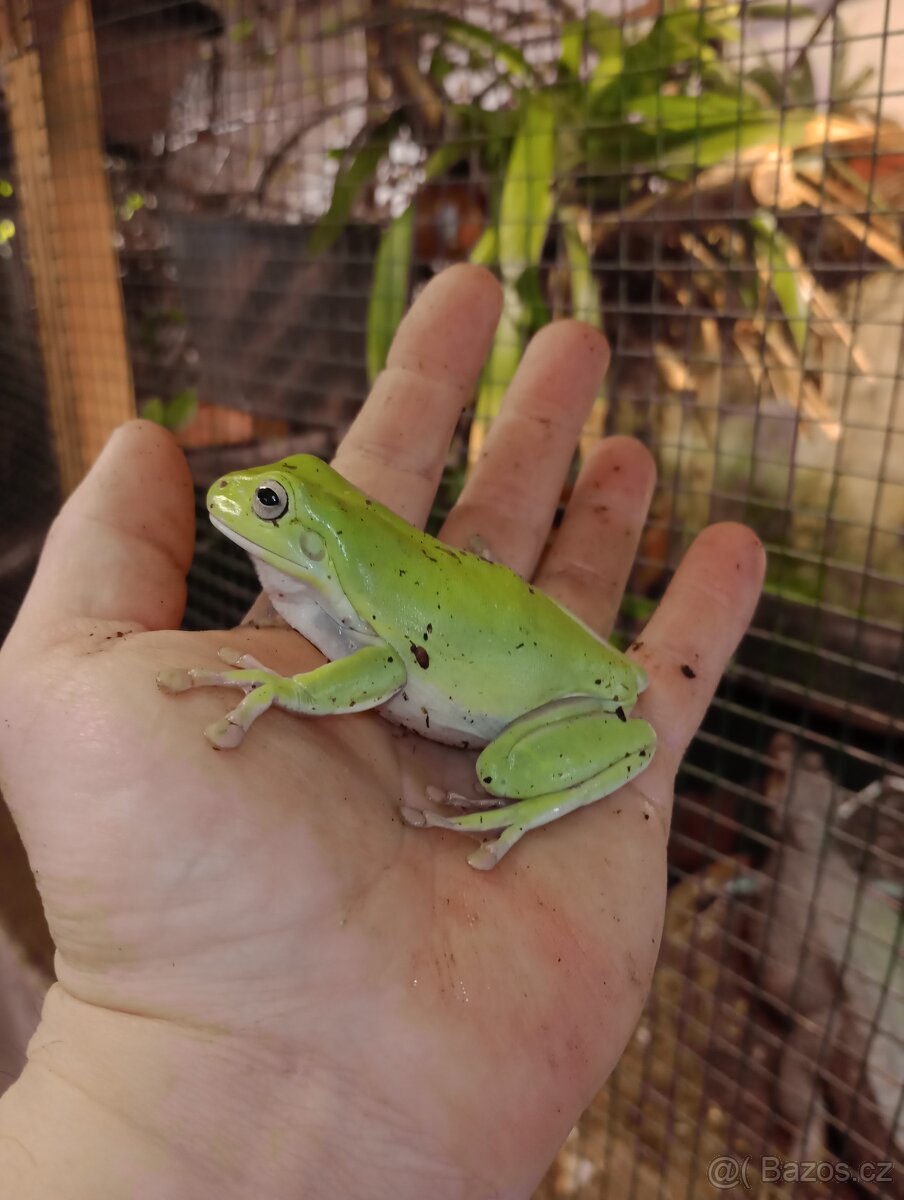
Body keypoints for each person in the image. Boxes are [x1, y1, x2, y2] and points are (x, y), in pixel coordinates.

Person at [0, 265, 764, 1198]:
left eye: (276, 505)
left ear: (316, 537)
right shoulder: (328, 580)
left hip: (539, 704)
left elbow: (388, 667)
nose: (245, 501)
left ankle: (531, 802)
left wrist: (283, 692)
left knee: (506, 764)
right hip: (500, 631)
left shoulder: (348, 601)